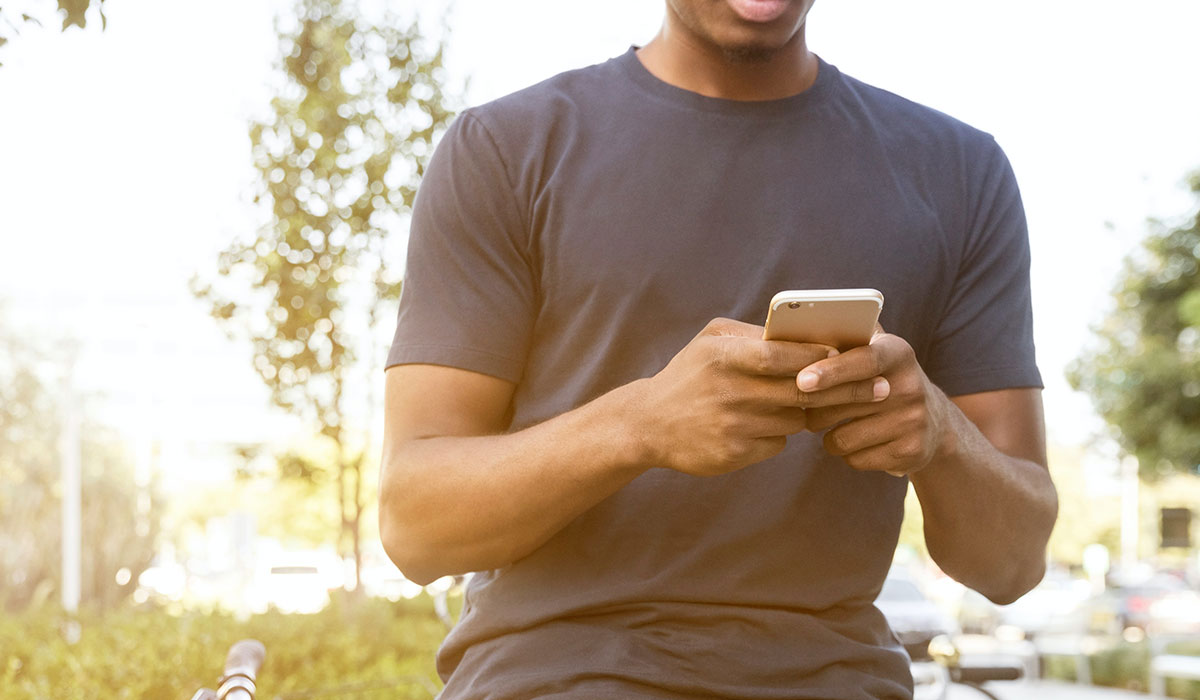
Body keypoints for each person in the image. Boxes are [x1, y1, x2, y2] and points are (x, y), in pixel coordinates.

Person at [379, 0, 1058, 698]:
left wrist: (939, 434)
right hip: (557, 677)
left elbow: (1012, 565)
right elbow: (415, 526)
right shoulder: (503, 149)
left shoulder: (960, 173)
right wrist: (638, 426)